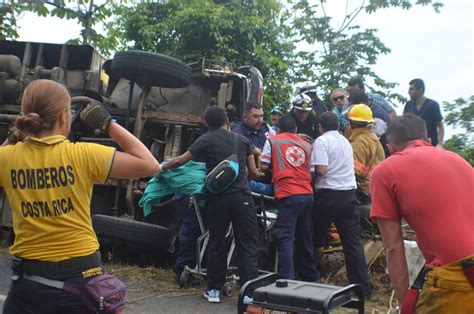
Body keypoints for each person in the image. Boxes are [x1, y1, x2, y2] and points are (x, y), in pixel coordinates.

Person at [1, 79, 160, 313]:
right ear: (65, 117)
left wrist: (15, 135)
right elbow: (151, 165)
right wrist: (108, 124)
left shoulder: (7, 158)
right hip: (82, 278)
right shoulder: (83, 154)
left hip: (30, 283)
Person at [370, 114, 473, 312]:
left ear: (391, 148)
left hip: (455, 277)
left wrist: (404, 304)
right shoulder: (458, 159)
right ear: (429, 141)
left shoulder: (385, 170)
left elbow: (393, 247)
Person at [161, 106, 261, 303]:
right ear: (226, 121)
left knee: (217, 242)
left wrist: (161, 167)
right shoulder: (242, 140)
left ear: (206, 123)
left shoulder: (205, 139)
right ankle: (249, 294)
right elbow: (253, 172)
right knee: (247, 244)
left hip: (218, 200)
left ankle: (214, 290)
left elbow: (181, 160)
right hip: (242, 198)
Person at [311, 112, 372, 297]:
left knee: (313, 236)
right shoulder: (346, 141)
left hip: (328, 195)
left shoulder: (321, 141)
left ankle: (308, 276)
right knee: (352, 243)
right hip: (348, 196)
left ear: (320, 126)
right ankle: (362, 287)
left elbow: (321, 169)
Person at [260, 115, 320, 281]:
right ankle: (310, 275)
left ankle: (286, 278)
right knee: (305, 235)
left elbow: (263, 165)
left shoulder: (272, 140)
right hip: (307, 194)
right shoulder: (307, 145)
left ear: (278, 129)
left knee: (285, 237)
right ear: (295, 130)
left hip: (288, 193)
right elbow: (312, 170)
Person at [347, 104, 385, 195]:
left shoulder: (359, 142)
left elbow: (355, 171)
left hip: (364, 188)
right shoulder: (371, 136)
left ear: (353, 122)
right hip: (374, 186)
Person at [403, 78, 444, 147]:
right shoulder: (408, 105)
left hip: (430, 145)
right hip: (413, 145)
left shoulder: (433, 105)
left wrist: (440, 144)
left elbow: (440, 125)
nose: (408, 92)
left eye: (411, 89)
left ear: (420, 90)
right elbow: (403, 124)